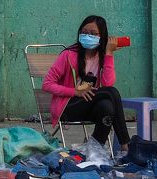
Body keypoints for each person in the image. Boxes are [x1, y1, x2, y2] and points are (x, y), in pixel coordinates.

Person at [42, 15, 129, 151]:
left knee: (106, 106)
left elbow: (107, 83)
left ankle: (95, 150)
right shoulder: (68, 55)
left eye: (93, 34)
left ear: (102, 37)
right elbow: (47, 84)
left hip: (88, 106)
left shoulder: (102, 57)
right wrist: (75, 91)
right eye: (84, 32)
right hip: (68, 107)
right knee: (112, 92)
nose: (87, 36)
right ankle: (126, 146)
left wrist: (109, 54)